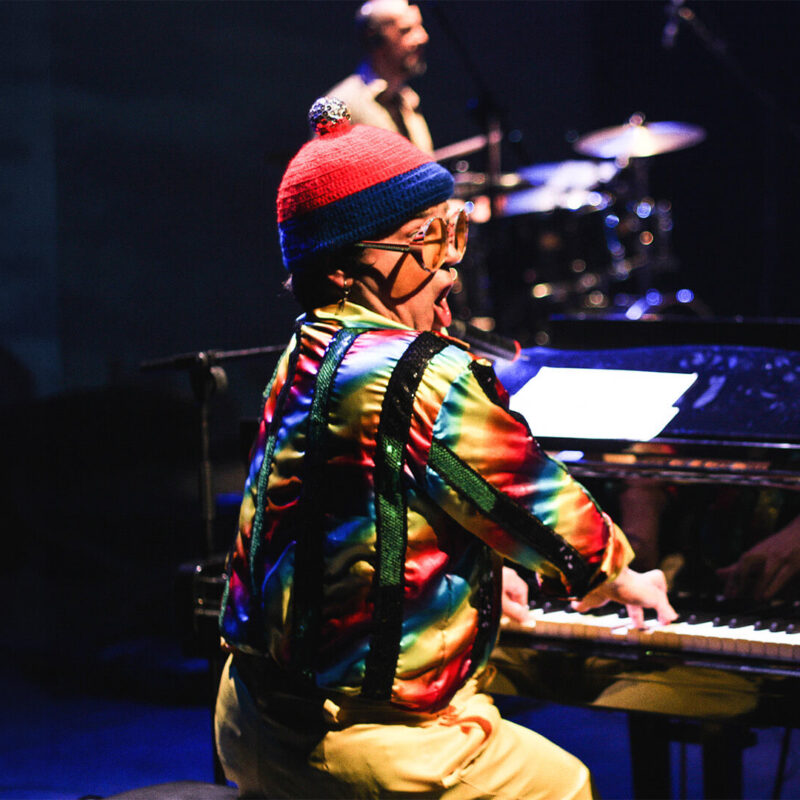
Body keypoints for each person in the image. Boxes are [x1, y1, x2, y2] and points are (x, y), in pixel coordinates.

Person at [214, 96, 676, 799]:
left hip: (250, 721)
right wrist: (622, 575)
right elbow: (532, 500)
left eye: (452, 235)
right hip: (359, 743)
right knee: (566, 785)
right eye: (427, 242)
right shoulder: (417, 370)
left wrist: (474, 567)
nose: (450, 267)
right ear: (344, 267)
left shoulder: (304, 350)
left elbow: (373, 509)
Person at [326, 0, 434, 153]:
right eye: (406, 30)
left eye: (419, 26)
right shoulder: (340, 106)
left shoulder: (408, 100)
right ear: (374, 37)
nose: (423, 37)